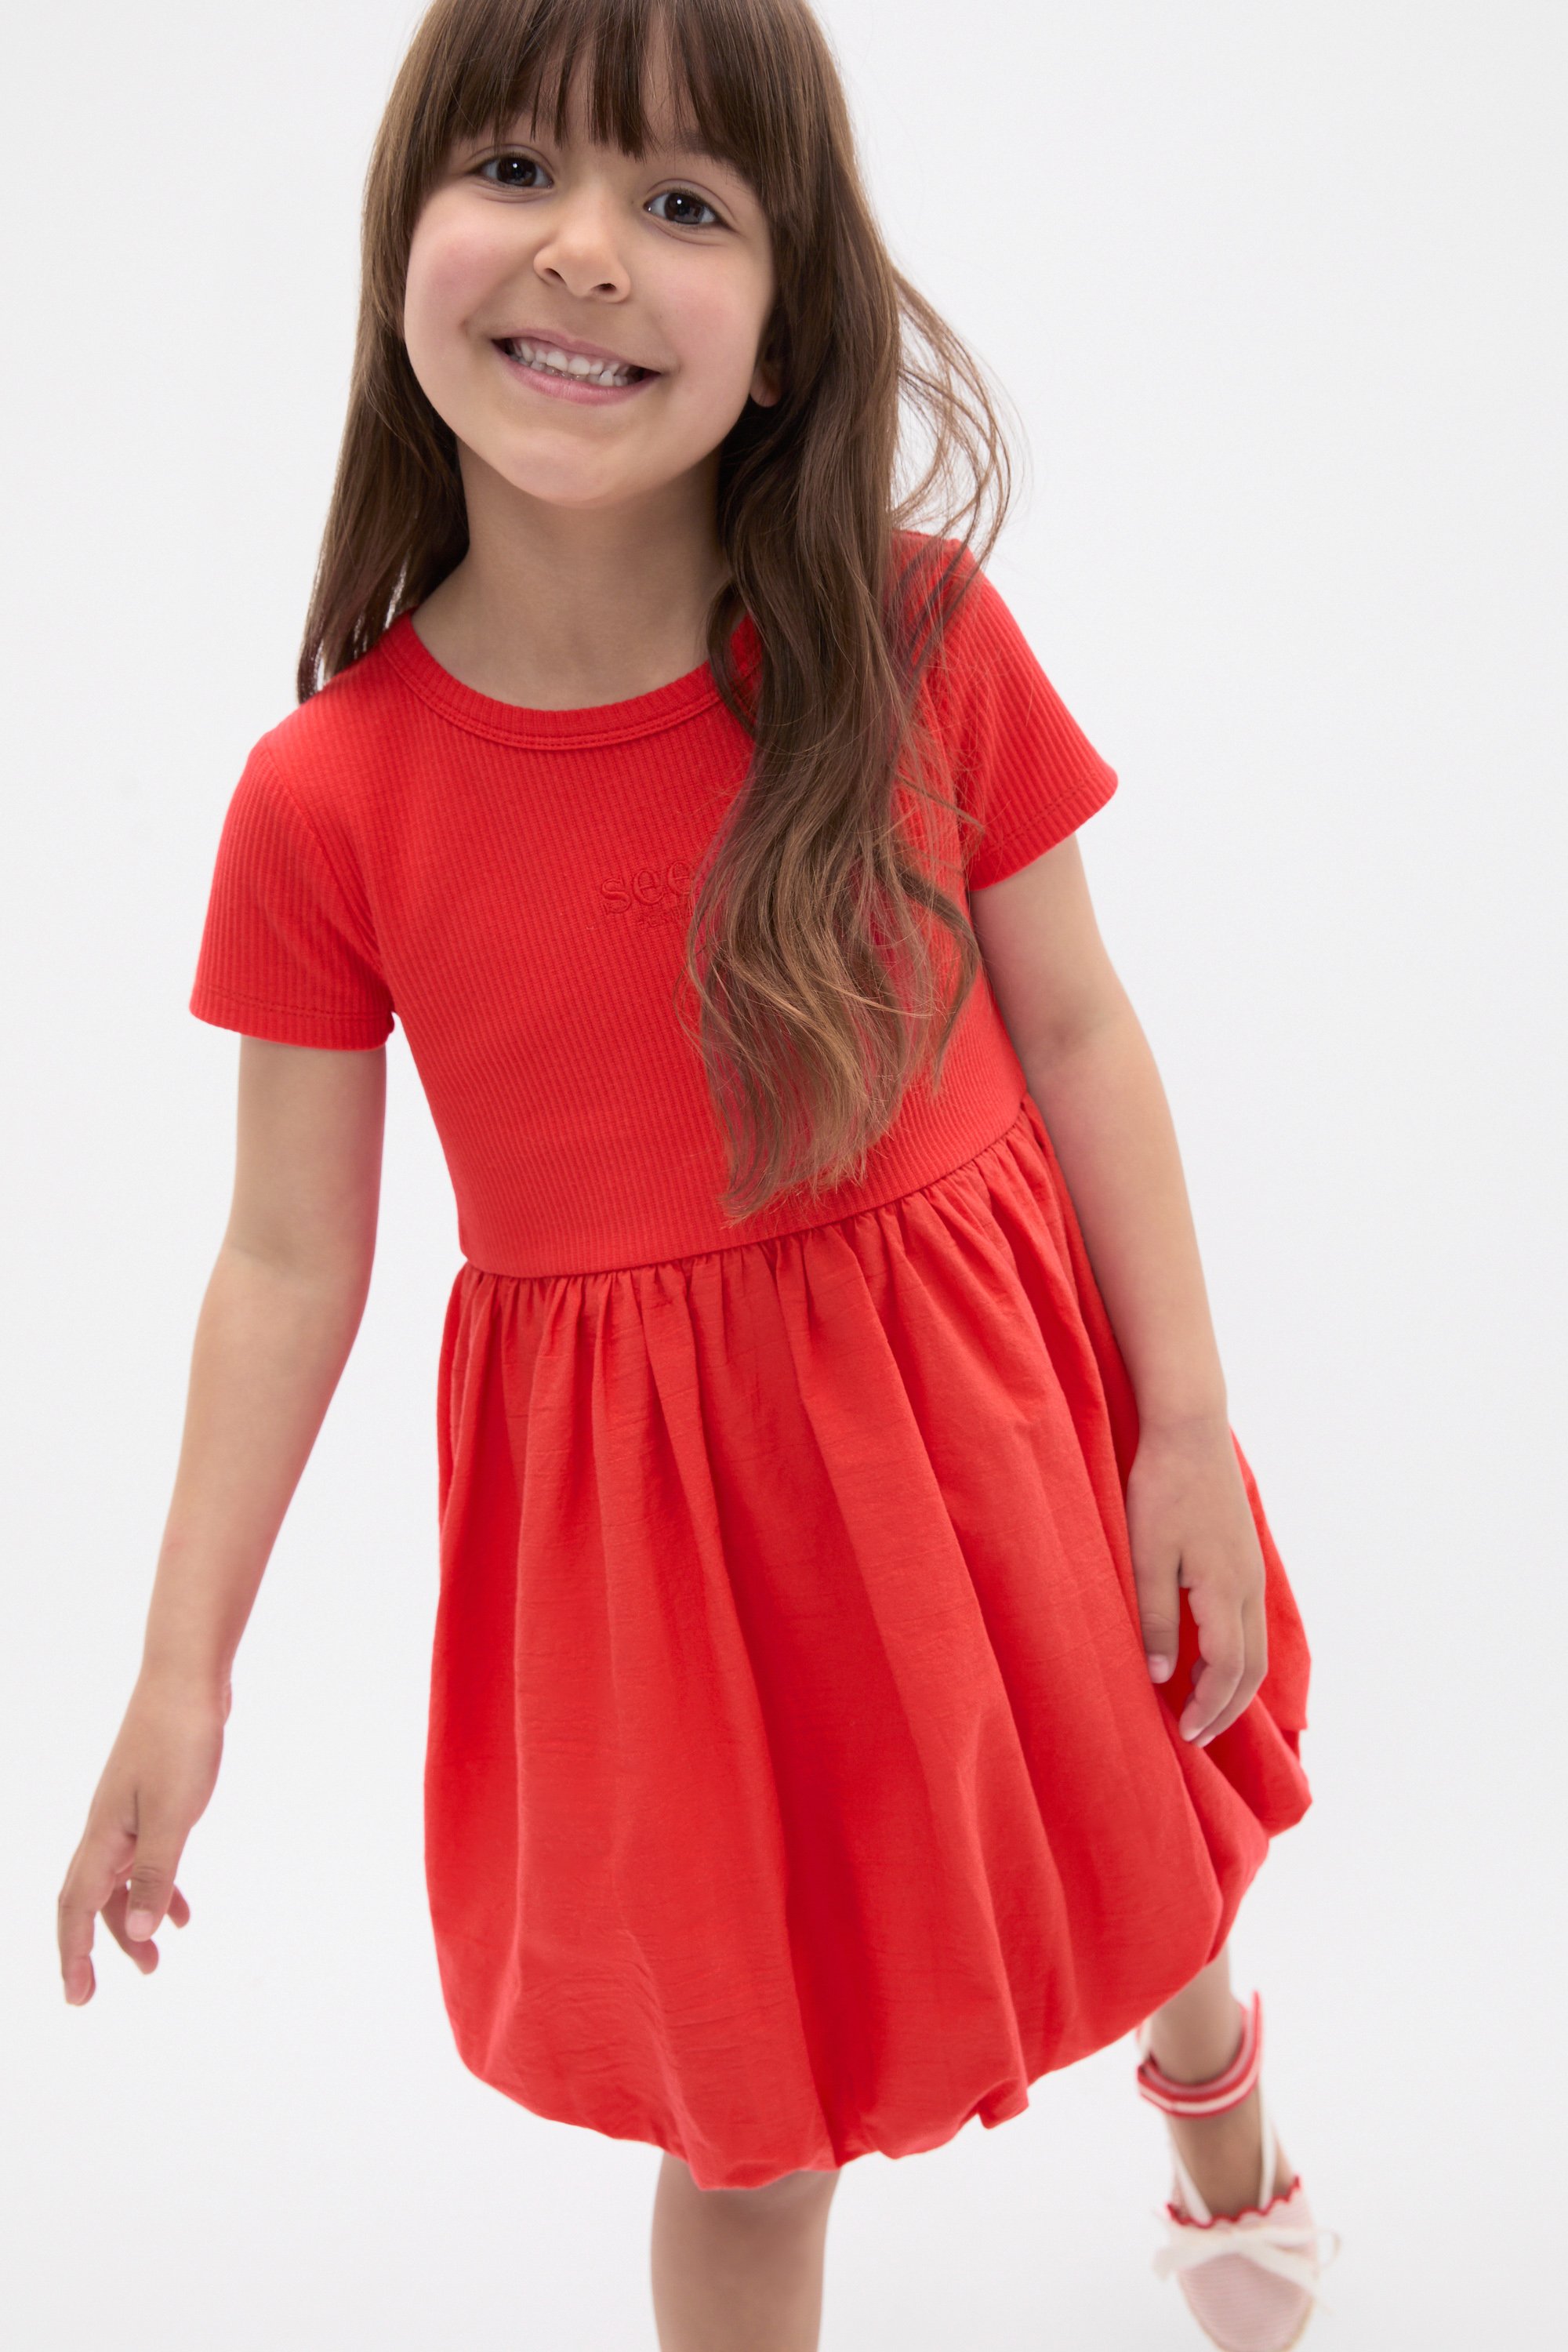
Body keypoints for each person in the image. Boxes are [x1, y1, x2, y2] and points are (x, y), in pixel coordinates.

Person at [56, 2, 1338, 2346]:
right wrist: (181, 1669)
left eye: (680, 203)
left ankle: (1217, 2117)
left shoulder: (911, 637)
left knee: (1135, 1844)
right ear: (402, 236)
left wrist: (1180, 1421)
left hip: (993, 1431)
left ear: (785, 321)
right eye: (516, 170)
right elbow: (286, 1255)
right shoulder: (327, 800)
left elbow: (1078, 1030)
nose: (586, 251)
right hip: (665, 1556)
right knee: (748, 2125)